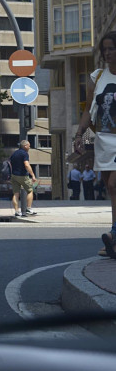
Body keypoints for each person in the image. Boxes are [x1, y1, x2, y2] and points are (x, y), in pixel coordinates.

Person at [73, 30, 116, 259]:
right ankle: (115, 237)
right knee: (110, 188)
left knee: (114, 185)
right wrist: (80, 136)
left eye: (112, 49)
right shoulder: (97, 77)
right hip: (104, 141)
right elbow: (89, 112)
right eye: (104, 49)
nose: (107, 53)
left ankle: (114, 235)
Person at [10, 140, 37, 217]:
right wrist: (32, 175)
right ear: (25, 146)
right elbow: (26, 165)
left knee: (16, 193)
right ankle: (28, 208)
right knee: (30, 190)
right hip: (23, 175)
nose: (29, 147)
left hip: (14, 176)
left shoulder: (14, 153)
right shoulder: (24, 154)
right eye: (29, 146)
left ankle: (16, 211)